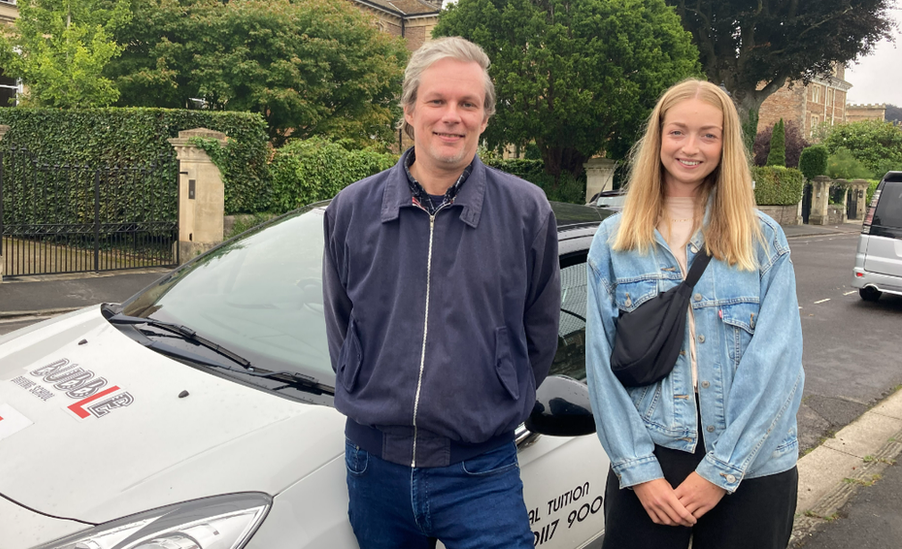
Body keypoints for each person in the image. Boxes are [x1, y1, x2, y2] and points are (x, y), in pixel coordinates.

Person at [322, 37, 560, 549]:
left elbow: (538, 334)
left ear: (484, 117)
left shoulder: (526, 211)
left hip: (481, 469)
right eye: (437, 101)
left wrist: (499, 391)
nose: (451, 116)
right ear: (410, 110)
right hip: (374, 469)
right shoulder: (351, 209)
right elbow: (343, 325)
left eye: (467, 104)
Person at [585, 78, 804, 549]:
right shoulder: (614, 240)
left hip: (754, 464)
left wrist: (721, 472)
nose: (691, 147)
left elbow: (778, 365)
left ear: (726, 146)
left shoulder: (763, 239)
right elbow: (600, 370)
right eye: (678, 131)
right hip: (653, 460)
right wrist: (639, 472)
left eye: (709, 134)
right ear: (658, 137)